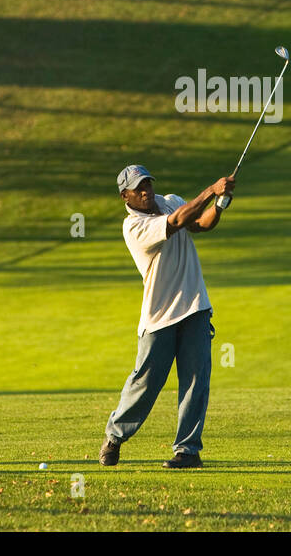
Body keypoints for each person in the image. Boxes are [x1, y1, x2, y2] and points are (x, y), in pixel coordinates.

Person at [100, 164, 235, 469]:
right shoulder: (132, 227)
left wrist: (220, 203)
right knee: (146, 383)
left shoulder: (171, 200)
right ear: (125, 195)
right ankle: (114, 437)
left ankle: (188, 451)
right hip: (159, 316)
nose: (146, 190)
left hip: (195, 307)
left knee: (196, 381)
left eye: (147, 183)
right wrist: (210, 191)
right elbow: (175, 223)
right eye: (139, 187)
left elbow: (200, 224)